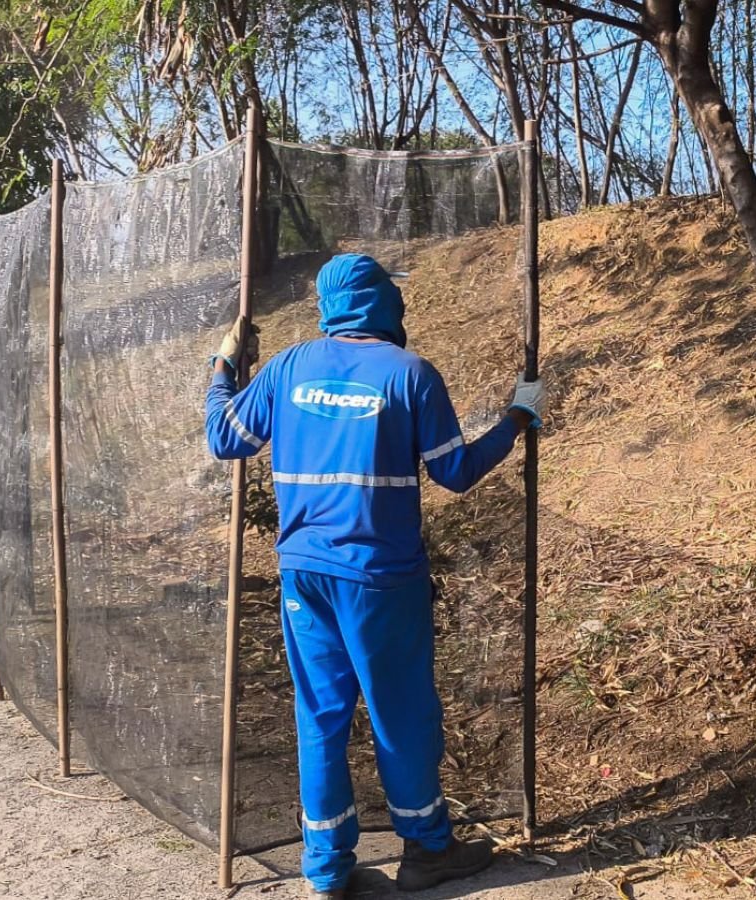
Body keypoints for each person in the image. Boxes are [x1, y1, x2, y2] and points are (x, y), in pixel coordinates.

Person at [203, 253, 545, 899]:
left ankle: (328, 871)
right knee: (402, 716)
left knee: (321, 717)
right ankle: (427, 851)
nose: (405, 304)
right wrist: (518, 418)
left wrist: (224, 364)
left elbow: (224, 437)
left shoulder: (287, 369)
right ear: (380, 301)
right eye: (396, 293)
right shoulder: (410, 375)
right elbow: (456, 472)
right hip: (381, 580)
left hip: (303, 575)